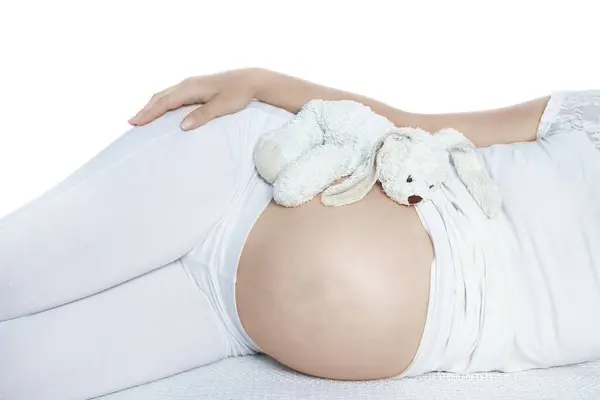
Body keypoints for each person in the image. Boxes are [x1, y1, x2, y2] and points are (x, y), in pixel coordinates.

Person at [1, 67, 599, 400]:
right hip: (240, 171)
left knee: (17, 375)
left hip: (228, 319)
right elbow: (416, 125)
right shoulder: (589, 112)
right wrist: (262, 83)